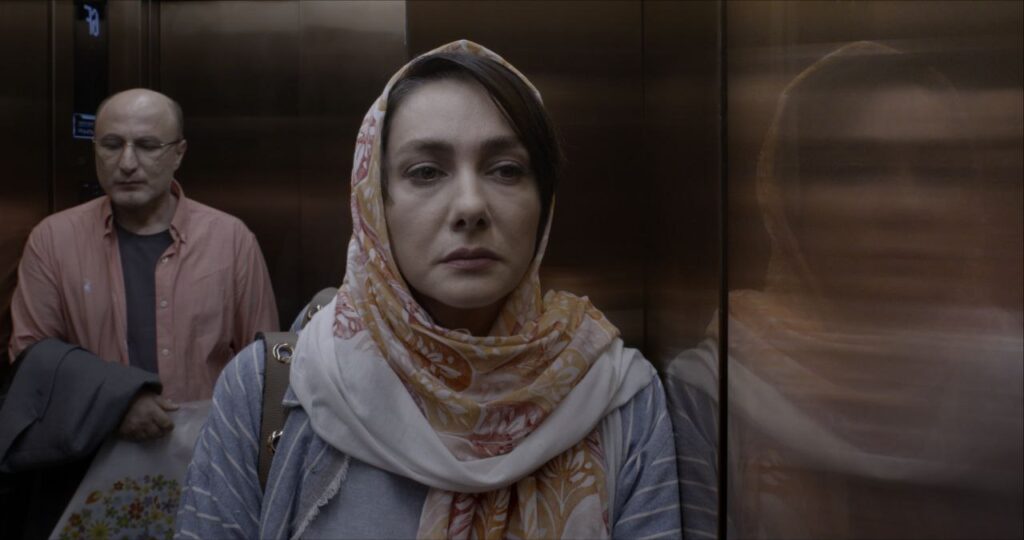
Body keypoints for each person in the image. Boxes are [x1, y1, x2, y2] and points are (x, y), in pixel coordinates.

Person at [175, 40, 681, 539]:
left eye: (506, 170)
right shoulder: (272, 389)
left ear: (544, 201)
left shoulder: (614, 395)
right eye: (426, 172)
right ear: (375, 202)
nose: (470, 206)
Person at [665, 41, 1023, 539]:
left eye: (938, 171)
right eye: (858, 170)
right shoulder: (716, 391)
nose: (906, 208)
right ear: (788, 201)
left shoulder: (1007, 378)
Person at [7, 88, 279, 437]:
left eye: (148, 146)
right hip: (90, 452)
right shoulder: (53, 240)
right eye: (111, 145)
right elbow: (31, 360)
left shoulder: (230, 240)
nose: (127, 163)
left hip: (208, 451)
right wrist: (110, 404)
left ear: (178, 153)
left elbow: (264, 367)